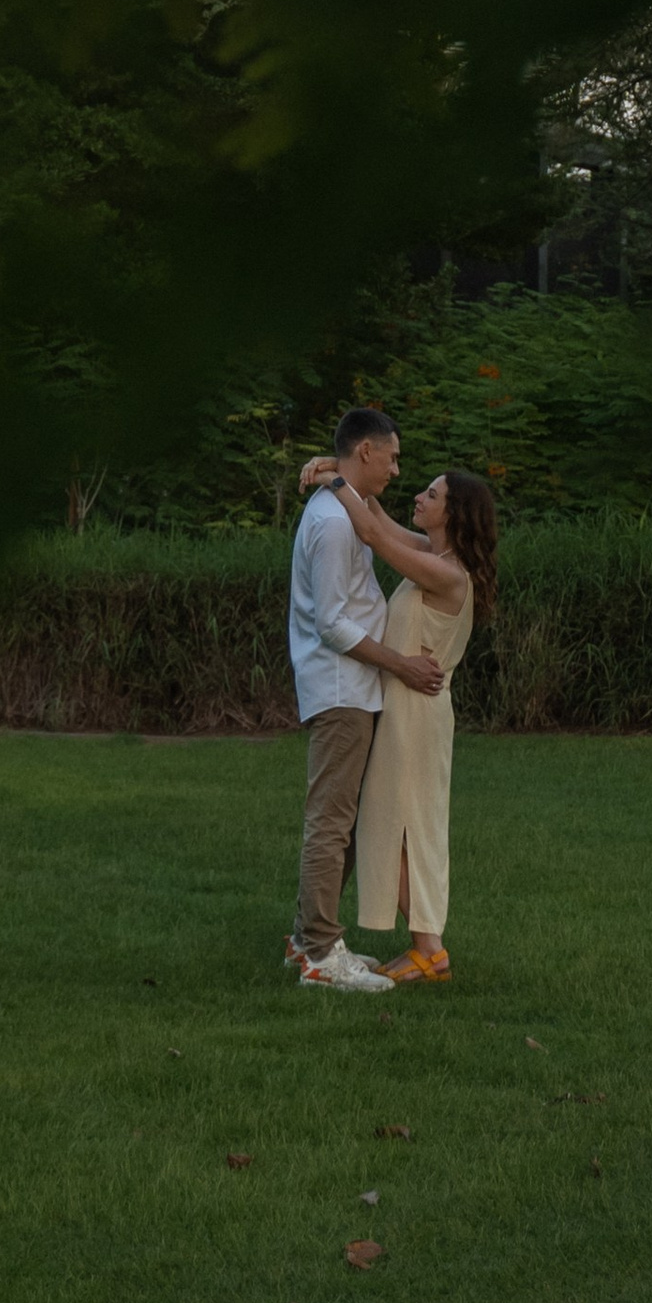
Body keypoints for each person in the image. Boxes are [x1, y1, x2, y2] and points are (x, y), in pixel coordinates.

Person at [298, 450, 497, 985]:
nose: (417, 496)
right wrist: (338, 468)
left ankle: (430, 949)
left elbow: (374, 536)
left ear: (453, 515)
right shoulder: (432, 554)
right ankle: (419, 945)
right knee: (392, 823)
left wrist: (335, 478)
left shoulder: (447, 573)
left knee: (407, 827)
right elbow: (377, 519)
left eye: (431, 495)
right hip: (404, 706)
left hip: (416, 714)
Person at [284, 405, 443, 993]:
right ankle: (321, 955)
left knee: (344, 825)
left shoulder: (346, 511)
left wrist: (334, 475)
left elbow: (378, 531)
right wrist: (401, 664)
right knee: (331, 823)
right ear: (367, 452)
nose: (398, 471)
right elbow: (331, 624)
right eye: (394, 457)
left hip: (356, 689)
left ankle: (309, 938)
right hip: (339, 689)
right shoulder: (329, 523)